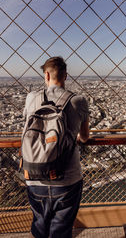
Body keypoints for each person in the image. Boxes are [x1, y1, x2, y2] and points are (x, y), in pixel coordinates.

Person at [23, 56, 89, 238]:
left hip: (34, 175)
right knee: (61, 229)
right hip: (67, 178)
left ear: (46, 75)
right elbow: (84, 137)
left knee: (39, 226)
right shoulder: (79, 101)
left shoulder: (31, 98)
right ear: (66, 76)